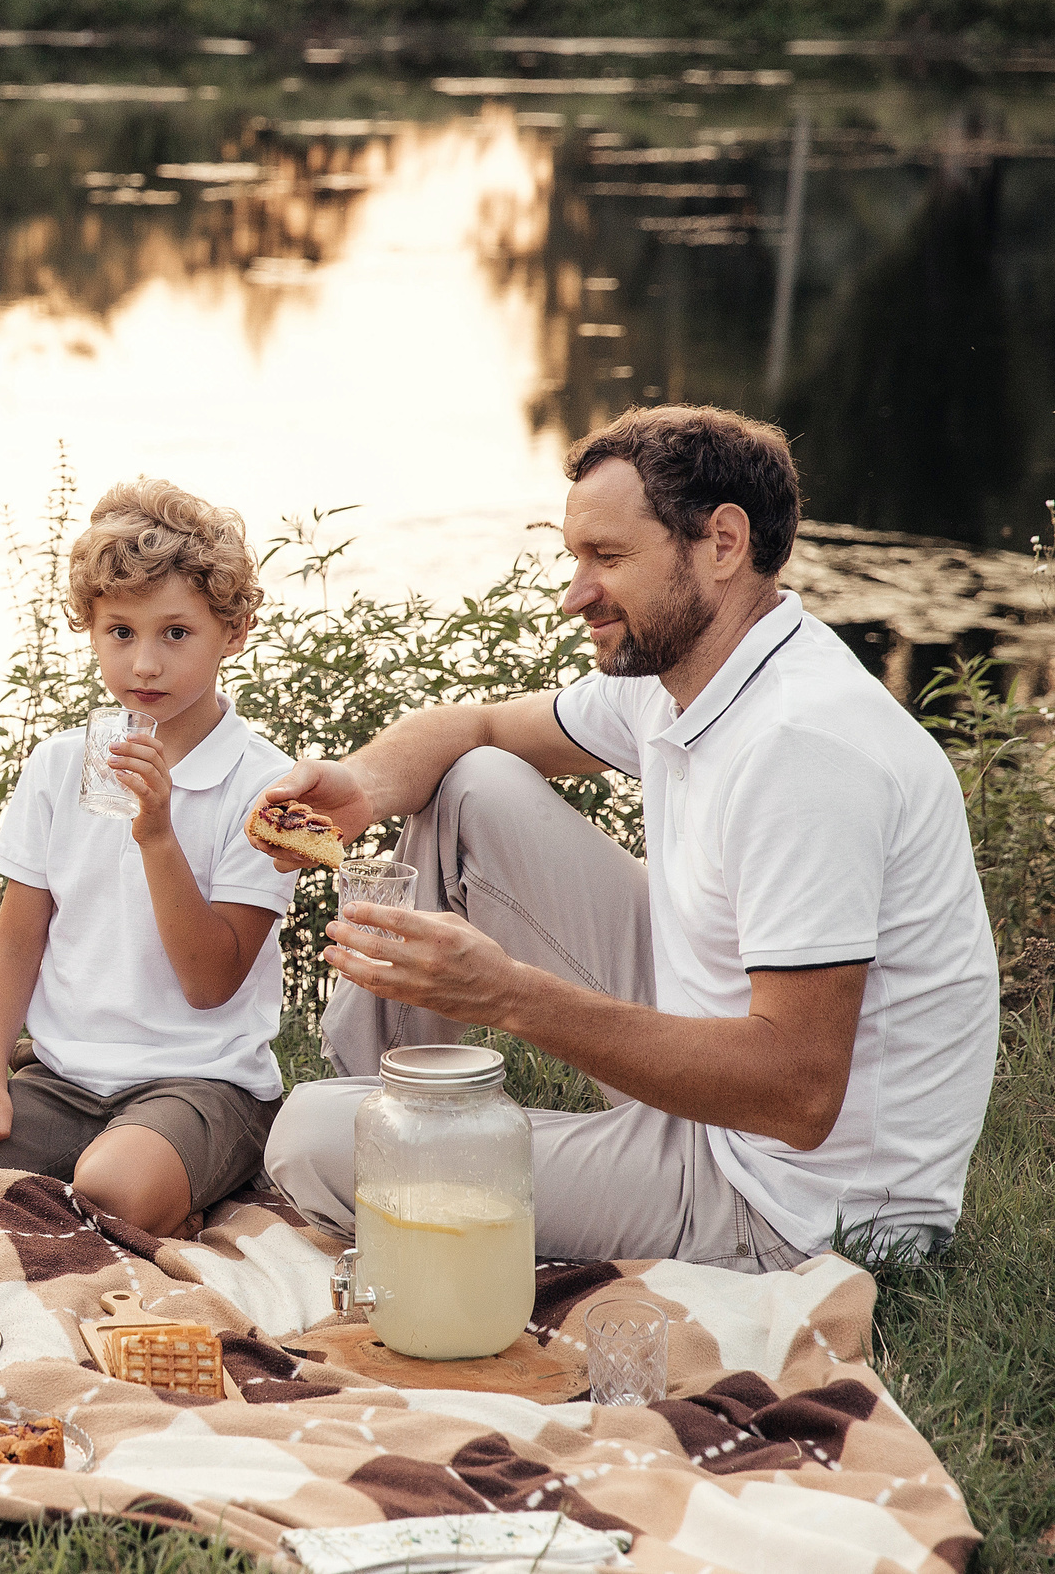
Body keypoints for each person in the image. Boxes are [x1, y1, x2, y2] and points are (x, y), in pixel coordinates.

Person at [255, 406, 999, 1270]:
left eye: (606, 558)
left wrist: (508, 995)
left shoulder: (804, 750)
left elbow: (798, 1091)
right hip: (723, 1084)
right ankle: (384, 1098)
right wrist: (362, 788)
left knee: (307, 1137)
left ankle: (368, 1137)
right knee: (475, 785)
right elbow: (478, 722)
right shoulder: (684, 673)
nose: (575, 594)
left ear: (723, 543)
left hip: (795, 1204)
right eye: (577, 558)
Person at [0, 478, 299, 1238]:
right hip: (63, 1081)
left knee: (111, 1188)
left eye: (175, 633)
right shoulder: (57, 766)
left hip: (205, 1081)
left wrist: (157, 835)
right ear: (90, 630)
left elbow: (211, 982)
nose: (144, 663)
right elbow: (16, 942)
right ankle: (86, 1179)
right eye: (120, 632)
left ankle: (191, 1171)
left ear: (233, 632)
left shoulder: (265, 786)